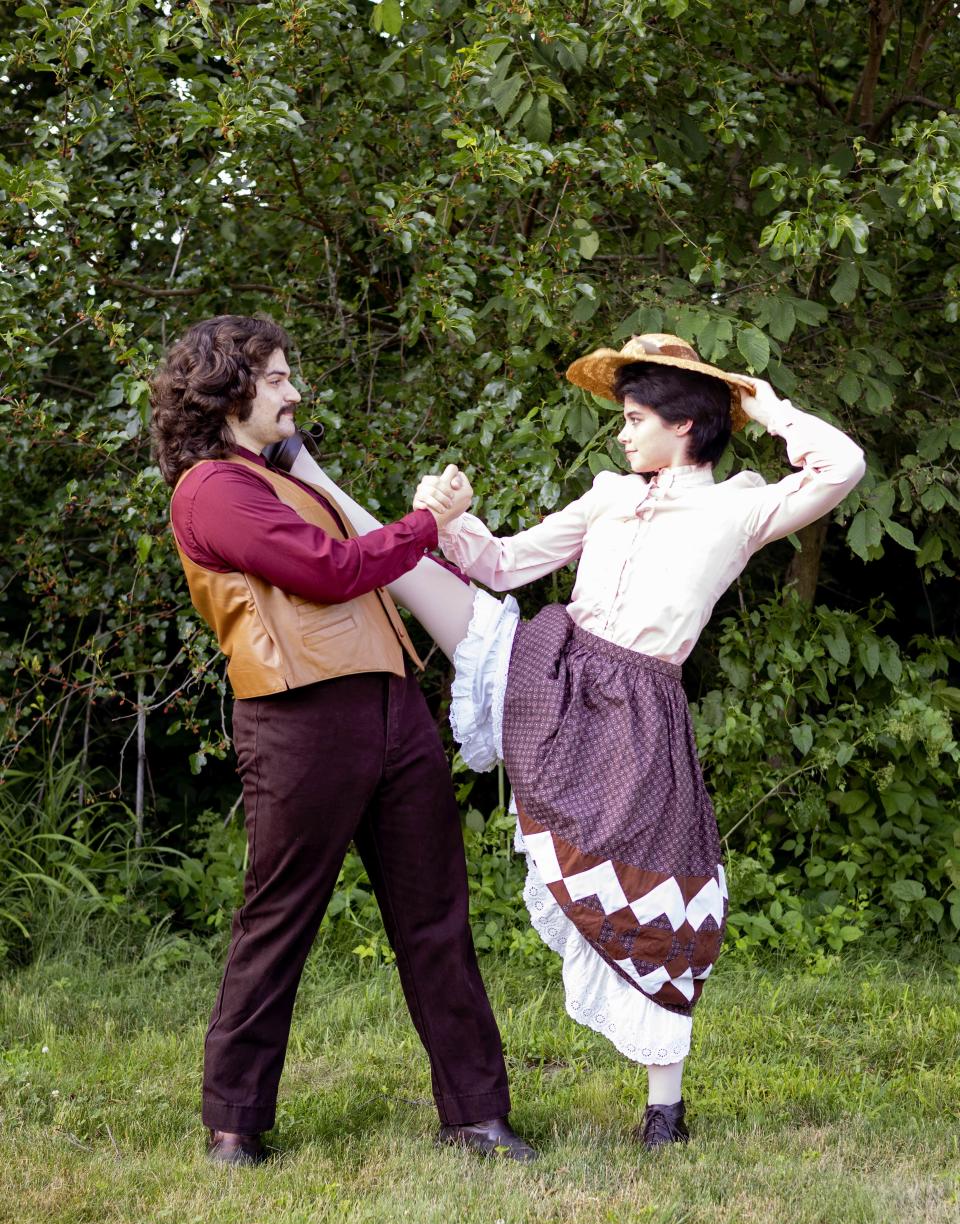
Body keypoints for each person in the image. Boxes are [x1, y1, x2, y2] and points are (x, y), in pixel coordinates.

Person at [407, 332, 867, 1149]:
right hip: (554, 676)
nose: (622, 433)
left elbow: (842, 468)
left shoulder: (739, 508)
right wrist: (447, 520)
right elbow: (506, 564)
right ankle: (344, 515)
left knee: (661, 889)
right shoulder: (609, 496)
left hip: (640, 709)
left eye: (634, 417)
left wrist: (768, 412)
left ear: (683, 424)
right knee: (475, 619)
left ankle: (665, 1109)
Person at [149, 314, 536, 1165]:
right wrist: (425, 521)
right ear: (229, 390)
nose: (293, 391)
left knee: (436, 914)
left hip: (392, 707)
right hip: (299, 720)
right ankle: (235, 1126)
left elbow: (346, 564)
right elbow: (330, 573)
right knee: (279, 917)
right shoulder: (212, 487)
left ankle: (477, 1114)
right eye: (279, 378)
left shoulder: (282, 480)